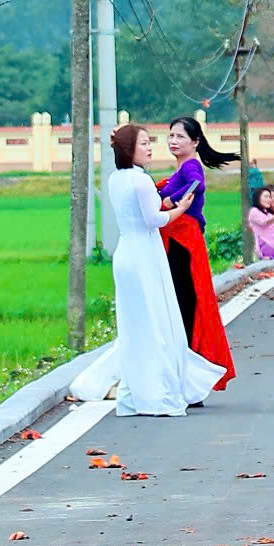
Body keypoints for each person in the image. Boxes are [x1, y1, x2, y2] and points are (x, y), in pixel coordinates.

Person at [70, 124, 228, 415]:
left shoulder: (115, 178)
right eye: (144, 143)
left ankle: (135, 393)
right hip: (145, 255)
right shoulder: (141, 181)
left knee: (135, 327)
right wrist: (180, 207)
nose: (152, 147)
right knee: (158, 323)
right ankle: (161, 391)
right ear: (130, 150)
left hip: (126, 255)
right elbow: (154, 219)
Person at [160, 117, 238, 392]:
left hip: (184, 242)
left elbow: (197, 186)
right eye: (171, 136)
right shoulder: (180, 167)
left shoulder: (191, 165)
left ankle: (192, 379)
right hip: (176, 241)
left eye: (180, 137)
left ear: (195, 142)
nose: (173, 141)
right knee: (182, 305)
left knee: (187, 305)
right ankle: (188, 377)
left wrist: (170, 200)